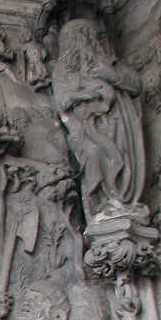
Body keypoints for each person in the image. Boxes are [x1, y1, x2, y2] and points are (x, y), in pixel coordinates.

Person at [52, 19, 145, 225]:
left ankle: (121, 200)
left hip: (116, 121)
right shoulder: (63, 70)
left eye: (83, 33)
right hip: (84, 127)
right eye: (71, 37)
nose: (79, 40)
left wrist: (112, 76)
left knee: (122, 154)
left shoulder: (108, 62)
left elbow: (135, 84)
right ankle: (100, 205)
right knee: (93, 153)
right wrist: (85, 94)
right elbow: (62, 100)